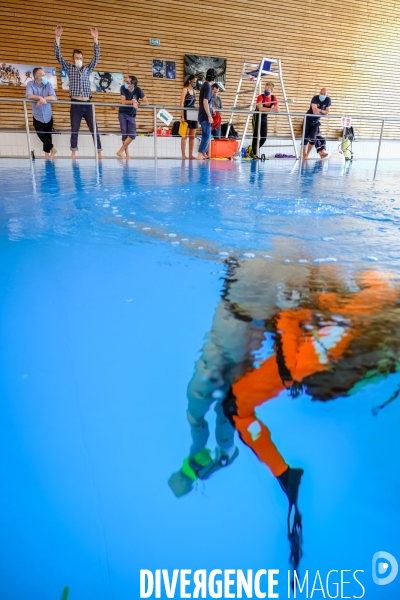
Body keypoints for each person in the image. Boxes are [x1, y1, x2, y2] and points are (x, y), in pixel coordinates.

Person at [169, 255, 400, 570]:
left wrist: (290, 311)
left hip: (307, 344)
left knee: (232, 404)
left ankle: (280, 474)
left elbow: (299, 359)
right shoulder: (342, 331)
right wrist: (291, 311)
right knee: (232, 405)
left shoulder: (331, 340)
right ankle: (279, 474)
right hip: (312, 337)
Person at [54, 25, 103, 160]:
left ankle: (99, 151)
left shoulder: (87, 69)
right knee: (74, 129)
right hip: (75, 103)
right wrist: (58, 37)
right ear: (73, 58)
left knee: (94, 128)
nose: (79, 60)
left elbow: (96, 57)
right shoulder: (69, 68)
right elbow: (58, 56)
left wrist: (95, 39)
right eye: (76, 58)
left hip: (87, 103)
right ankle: (73, 152)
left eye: (80, 58)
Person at [26, 67, 57, 159]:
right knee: (41, 134)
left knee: (48, 134)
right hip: (37, 116)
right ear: (36, 78)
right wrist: (39, 98)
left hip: (48, 115)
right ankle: (52, 148)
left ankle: (47, 154)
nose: (45, 77)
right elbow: (29, 95)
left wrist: (44, 99)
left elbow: (53, 97)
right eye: (43, 75)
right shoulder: (30, 84)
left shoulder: (48, 84)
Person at [116, 75, 148, 159]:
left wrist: (137, 103)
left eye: (127, 82)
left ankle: (120, 151)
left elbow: (146, 102)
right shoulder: (123, 88)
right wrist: (131, 102)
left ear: (133, 84)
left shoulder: (138, 90)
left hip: (132, 115)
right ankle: (126, 154)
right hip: (122, 113)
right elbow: (122, 101)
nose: (125, 83)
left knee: (132, 135)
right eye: (125, 81)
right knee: (124, 135)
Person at [252, 81, 279, 159]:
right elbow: (260, 108)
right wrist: (272, 109)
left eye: (267, 90)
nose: (265, 91)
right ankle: (255, 155)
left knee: (264, 138)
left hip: (264, 118)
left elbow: (277, 108)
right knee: (256, 136)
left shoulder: (274, 98)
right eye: (265, 89)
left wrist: (276, 109)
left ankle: (253, 149)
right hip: (257, 117)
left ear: (271, 91)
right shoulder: (260, 97)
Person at [303, 87, 331, 160]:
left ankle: (307, 155)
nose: (322, 95)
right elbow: (314, 111)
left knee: (313, 138)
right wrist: (323, 111)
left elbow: (327, 112)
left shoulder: (328, 100)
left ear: (327, 95)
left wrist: (320, 110)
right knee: (305, 139)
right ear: (319, 93)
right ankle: (304, 155)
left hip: (316, 122)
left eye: (324, 94)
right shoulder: (315, 98)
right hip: (308, 120)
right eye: (321, 93)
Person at [197, 68, 217, 161]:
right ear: (214, 78)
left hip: (202, 114)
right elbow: (205, 102)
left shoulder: (204, 85)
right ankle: (200, 154)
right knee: (206, 135)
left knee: (206, 134)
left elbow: (206, 102)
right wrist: (209, 116)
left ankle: (204, 153)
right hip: (205, 115)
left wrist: (211, 108)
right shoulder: (208, 87)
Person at [180, 74, 198, 159]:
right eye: (193, 81)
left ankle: (190, 154)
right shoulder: (185, 89)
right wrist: (182, 116)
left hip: (193, 113)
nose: (195, 83)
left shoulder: (195, 91)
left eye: (196, 82)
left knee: (192, 136)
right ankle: (183, 155)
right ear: (189, 81)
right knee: (185, 135)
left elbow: (194, 103)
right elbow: (181, 104)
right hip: (186, 112)